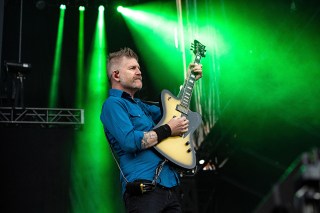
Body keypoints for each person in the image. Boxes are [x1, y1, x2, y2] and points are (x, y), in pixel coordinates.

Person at [100, 47, 203, 212]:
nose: (139, 72)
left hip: (171, 185)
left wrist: (189, 80)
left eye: (139, 67)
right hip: (144, 189)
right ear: (116, 75)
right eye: (132, 68)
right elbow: (130, 141)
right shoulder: (113, 105)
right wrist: (168, 129)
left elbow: (175, 113)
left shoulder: (142, 106)